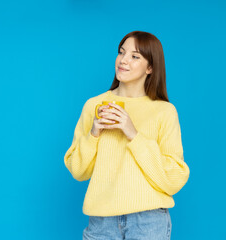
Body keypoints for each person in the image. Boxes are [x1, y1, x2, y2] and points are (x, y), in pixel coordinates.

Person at [64, 31, 190, 240]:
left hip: (148, 221)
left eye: (135, 56)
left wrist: (133, 134)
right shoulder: (93, 106)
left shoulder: (164, 111)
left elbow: (174, 178)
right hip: (101, 220)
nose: (123, 60)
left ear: (150, 67)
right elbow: (78, 171)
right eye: (121, 52)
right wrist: (94, 133)